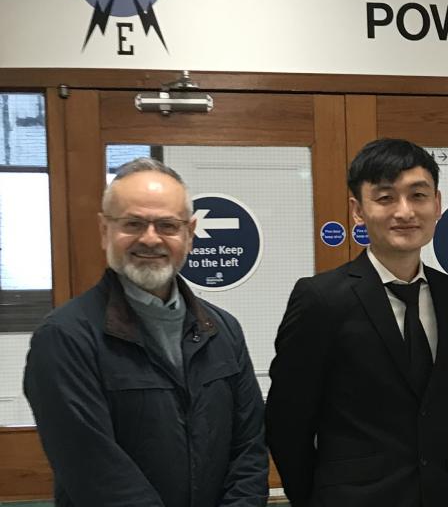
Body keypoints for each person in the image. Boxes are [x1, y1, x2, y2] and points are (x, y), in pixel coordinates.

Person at [23, 157, 268, 506]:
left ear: (190, 234)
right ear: (104, 230)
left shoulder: (223, 330)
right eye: (133, 223)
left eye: (168, 225)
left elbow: (249, 449)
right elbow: (95, 473)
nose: (150, 239)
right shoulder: (64, 338)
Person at [266, 138, 448, 507]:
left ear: (437, 204)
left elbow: (434, 411)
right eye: (385, 198)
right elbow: (286, 423)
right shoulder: (321, 299)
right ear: (357, 210)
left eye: (418, 195)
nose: (405, 211)